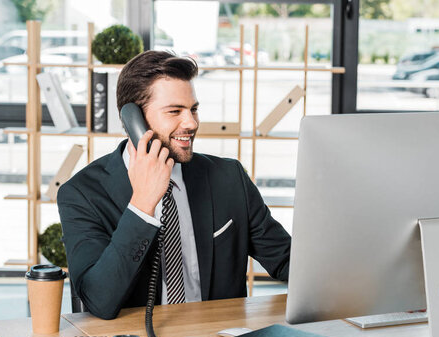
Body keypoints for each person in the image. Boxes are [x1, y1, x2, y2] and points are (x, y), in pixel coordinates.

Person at [57, 50, 291, 320]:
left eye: (193, 109)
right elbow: (99, 301)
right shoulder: (82, 194)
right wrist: (143, 205)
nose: (191, 123)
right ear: (134, 119)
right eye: (174, 111)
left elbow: (286, 260)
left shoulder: (229, 177)